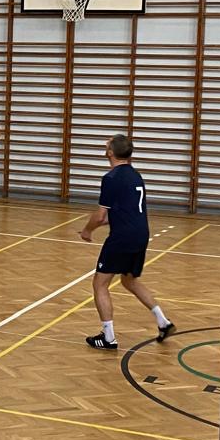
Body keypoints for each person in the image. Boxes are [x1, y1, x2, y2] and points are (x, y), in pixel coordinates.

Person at [77, 134, 174, 350]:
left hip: (122, 237)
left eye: (107, 145)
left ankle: (108, 337)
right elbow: (122, 212)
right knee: (129, 281)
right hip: (140, 233)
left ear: (111, 152)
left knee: (100, 284)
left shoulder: (111, 178)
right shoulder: (135, 175)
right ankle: (163, 322)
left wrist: (87, 231)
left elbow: (100, 216)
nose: (105, 146)